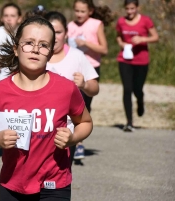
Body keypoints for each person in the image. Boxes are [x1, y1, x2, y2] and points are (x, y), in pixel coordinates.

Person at [0, 16, 93, 201]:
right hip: (13, 183)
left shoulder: (66, 89)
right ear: (16, 49)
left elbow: (85, 122)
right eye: (28, 43)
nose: (35, 49)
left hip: (54, 183)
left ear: (50, 54)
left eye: (43, 45)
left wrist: (73, 138)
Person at [43, 11, 99, 163]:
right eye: (50, 32)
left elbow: (95, 88)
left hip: (66, 130)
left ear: (66, 33)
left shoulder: (77, 56)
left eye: (59, 32)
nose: (54, 37)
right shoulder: (36, 56)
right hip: (38, 128)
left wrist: (84, 84)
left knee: (61, 174)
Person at [67, 0, 112, 159]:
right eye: (77, 11)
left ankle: (79, 142)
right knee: (70, 104)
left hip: (90, 68)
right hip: (72, 68)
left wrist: (85, 43)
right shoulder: (70, 26)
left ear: (90, 11)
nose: (79, 14)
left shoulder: (96, 24)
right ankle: (71, 140)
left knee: (84, 105)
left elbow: (104, 49)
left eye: (82, 11)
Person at [116, 0, 159, 132]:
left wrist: (143, 39)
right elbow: (118, 36)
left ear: (137, 8)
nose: (130, 12)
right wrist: (122, 44)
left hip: (141, 60)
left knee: (137, 89)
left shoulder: (145, 21)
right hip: (125, 59)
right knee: (127, 89)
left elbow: (155, 37)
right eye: (127, 9)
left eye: (132, 9)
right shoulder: (121, 22)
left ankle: (140, 100)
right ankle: (129, 122)